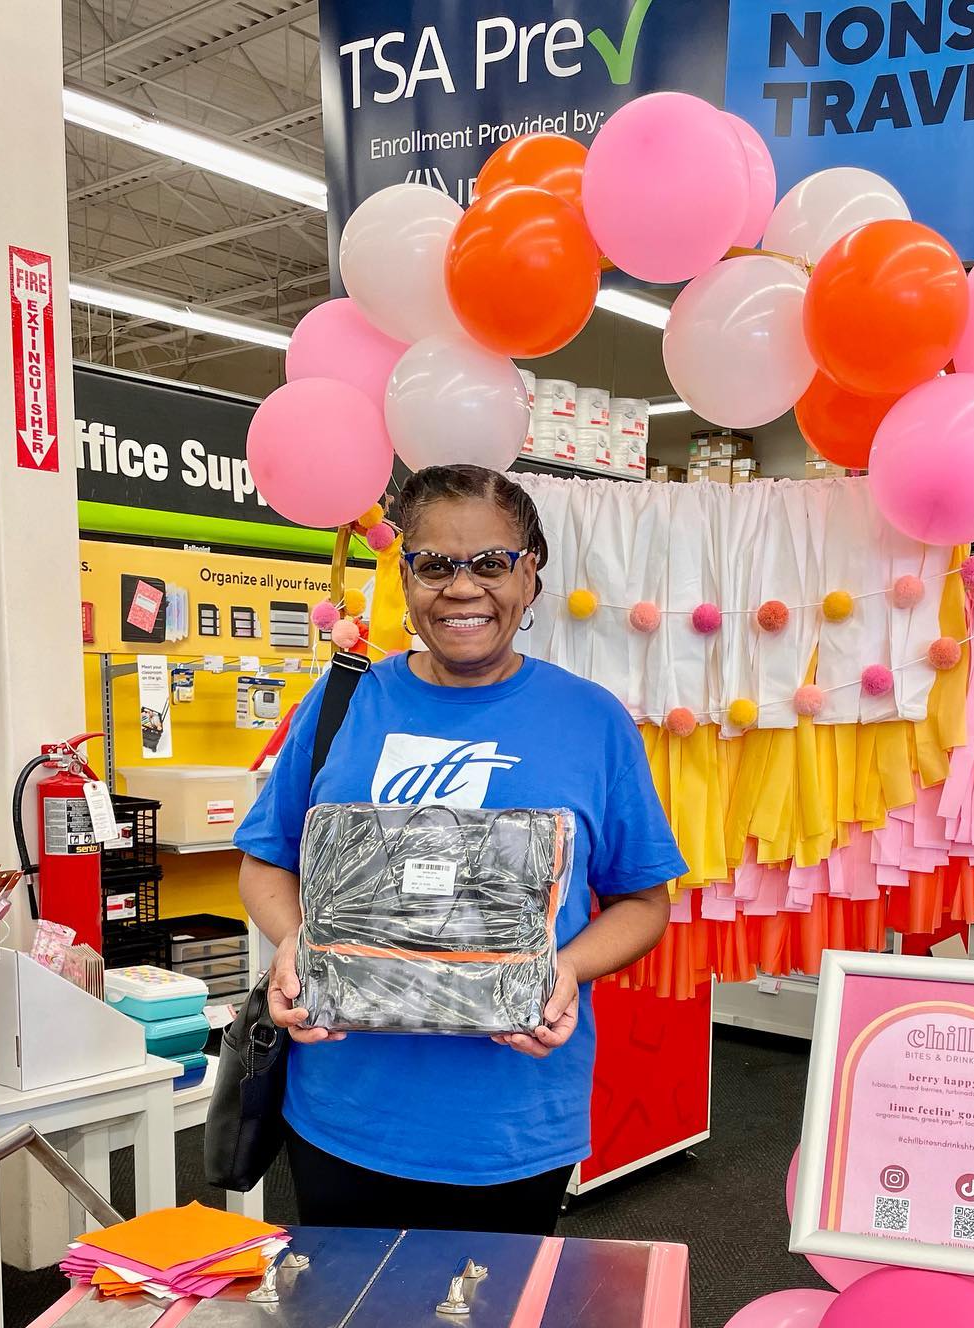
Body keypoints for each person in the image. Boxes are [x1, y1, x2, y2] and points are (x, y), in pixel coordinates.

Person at [236, 463, 686, 1234]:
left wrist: (566, 969)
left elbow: (646, 901)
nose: (462, 587)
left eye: (490, 562)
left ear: (529, 574)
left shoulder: (591, 721)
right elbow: (265, 859)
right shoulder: (344, 700)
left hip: (510, 1123)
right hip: (347, 1110)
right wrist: (293, 942)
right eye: (434, 564)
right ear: (406, 576)